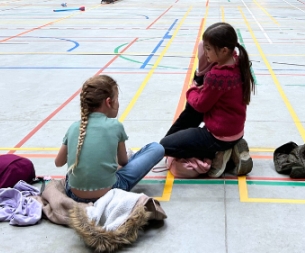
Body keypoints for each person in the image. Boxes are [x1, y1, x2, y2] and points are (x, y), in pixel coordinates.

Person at [160, 22, 255, 178]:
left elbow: (200, 105)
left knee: (165, 146)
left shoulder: (216, 75)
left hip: (217, 136)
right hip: (236, 131)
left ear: (224, 50)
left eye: (208, 49)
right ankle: (231, 147)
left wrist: (191, 89)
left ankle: (221, 154)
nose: (205, 53)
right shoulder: (238, 62)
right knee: (176, 139)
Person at [54, 75, 164, 203]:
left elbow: (58, 162)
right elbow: (123, 162)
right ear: (108, 102)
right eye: (116, 99)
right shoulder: (115, 126)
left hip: (73, 194)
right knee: (156, 148)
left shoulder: (74, 127)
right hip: (110, 193)